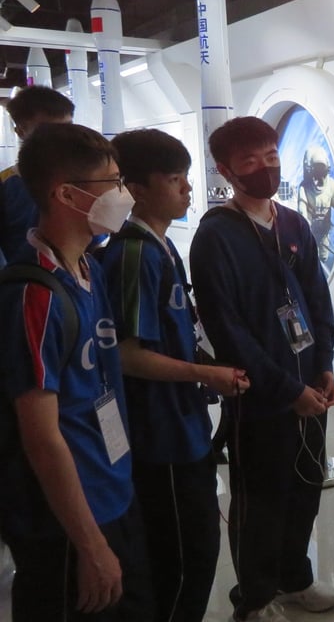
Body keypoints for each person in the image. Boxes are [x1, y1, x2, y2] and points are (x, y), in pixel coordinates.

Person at [189, 116, 334, 622]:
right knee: (261, 499)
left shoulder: (293, 223)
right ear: (226, 170)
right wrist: (285, 389)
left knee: (305, 486)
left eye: (271, 157)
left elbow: (317, 299)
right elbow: (228, 331)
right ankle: (253, 598)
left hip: (310, 388)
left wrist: (324, 366)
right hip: (259, 395)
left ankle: (294, 578)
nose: (264, 169)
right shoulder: (215, 237)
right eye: (250, 161)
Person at [0, 122, 152, 620]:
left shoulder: (88, 268)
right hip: (65, 522)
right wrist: (90, 546)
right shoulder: (34, 295)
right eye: (112, 184)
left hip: (111, 489)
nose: (124, 195)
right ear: (66, 193)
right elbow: (42, 438)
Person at [101, 128, 249, 622]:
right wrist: (202, 375)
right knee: (183, 560)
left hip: (183, 426)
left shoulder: (162, 247)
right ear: (138, 189)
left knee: (196, 552)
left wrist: (204, 368)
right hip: (158, 437)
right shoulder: (135, 254)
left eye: (186, 177)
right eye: (173, 179)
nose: (187, 188)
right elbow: (127, 354)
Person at [0, 86, 75, 265]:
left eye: (68, 129)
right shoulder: (6, 185)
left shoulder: (81, 179)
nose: (62, 138)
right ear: (20, 131)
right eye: (48, 130)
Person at [297, 144, 334, 268]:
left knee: (324, 257)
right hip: (310, 234)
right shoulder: (304, 188)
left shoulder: (332, 187)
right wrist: (306, 230)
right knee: (310, 260)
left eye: (321, 170)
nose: (319, 176)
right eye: (316, 170)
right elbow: (302, 211)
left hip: (324, 234)